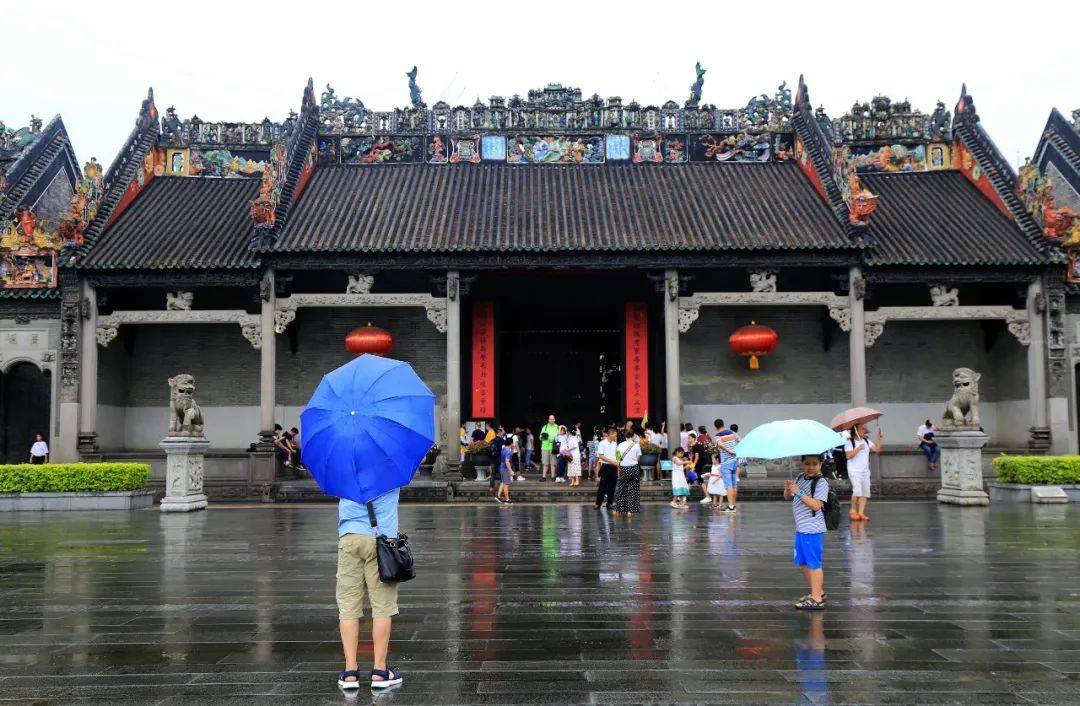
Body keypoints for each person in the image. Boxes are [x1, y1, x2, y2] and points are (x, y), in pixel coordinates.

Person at [335, 488, 403, 690]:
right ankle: (380, 672)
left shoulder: (344, 476)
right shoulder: (392, 475)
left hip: (350, 539)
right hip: (382, 541)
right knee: (382, 607)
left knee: (348, 607)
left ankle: (350, 672)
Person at [784, 454, 830, 611]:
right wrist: (788, 489)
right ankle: (818, 592)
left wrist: (799, 492)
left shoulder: (821, 482)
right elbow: (788, 497)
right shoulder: (799, 477)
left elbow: (816, 505)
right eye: (807, 463)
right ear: (802, 464)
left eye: (814, 464)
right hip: (801, 528)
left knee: (814, 563)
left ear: (820, 464)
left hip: (812, 529)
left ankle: (817, 599)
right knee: (802, 562)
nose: (811, 467)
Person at [846, 423, 883, 521]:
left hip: (865, 471)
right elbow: (848, 455)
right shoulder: (850, 442)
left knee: (865, 492)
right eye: (862, 429)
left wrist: (879, 439)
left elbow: (877, 449)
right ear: (856, 431)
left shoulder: (866, 441)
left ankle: (861, 513)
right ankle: (853, 510)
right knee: (857, 491)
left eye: (864, 429)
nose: (864, 431)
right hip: (854, 470)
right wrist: (858, 448)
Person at [614, 428, 643, 518]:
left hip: (624, 468)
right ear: (633, 436)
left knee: (622, 489)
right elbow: (638, 458)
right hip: (634, 468)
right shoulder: (636, 445)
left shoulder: (620, 445)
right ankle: (630, 511)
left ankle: (619, 510)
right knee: (633, 489)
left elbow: (618, 458)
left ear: (624, 436)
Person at [714, 419, 740, 513]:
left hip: (726, 462)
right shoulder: (732, 433)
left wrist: (729, 451)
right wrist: (735, 451)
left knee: (729, 485)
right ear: (723, 424)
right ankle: (733, 505)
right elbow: (739, 441)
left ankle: (731, 507)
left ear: (716, 427)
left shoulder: (718, 435)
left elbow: (720, 444)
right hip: (734, 461)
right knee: (734, 484)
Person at [595, 426, 619, 510]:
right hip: (605, 466)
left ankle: (610, 503)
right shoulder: (602, 443)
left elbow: (617, 454)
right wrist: (612, 461)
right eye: (615, 435)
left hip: (614, 467)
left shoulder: (615, 443)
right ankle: (598, 503)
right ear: (610, 435)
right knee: (602, 485)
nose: (616, 437)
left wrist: (618, 462)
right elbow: (601, 456)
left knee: (612, 486)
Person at [539, 414, 559, 482]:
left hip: (553, 447)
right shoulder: (545, 427)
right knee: (545, 463)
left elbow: (560, 436)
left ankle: (553, 477)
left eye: (553, 419)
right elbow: (540, 437)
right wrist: (542, 437)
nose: (552, 420)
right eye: (550, 419)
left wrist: (554, 439)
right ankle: (543, 477)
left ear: (554, 420)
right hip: (545, 447)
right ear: (548, 420)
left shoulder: (557, 427)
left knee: (553, 463)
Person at [495, 438, 514, 504]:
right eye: (512, 443)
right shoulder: (508, 451)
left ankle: (498, 496)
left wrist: (512, 449)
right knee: (506, 484)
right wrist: (510, 470)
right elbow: (507, 461)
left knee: (503, 482)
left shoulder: (503, 449)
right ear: (511, 443)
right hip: (505, 469)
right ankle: (507, 499)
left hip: (501, 467)